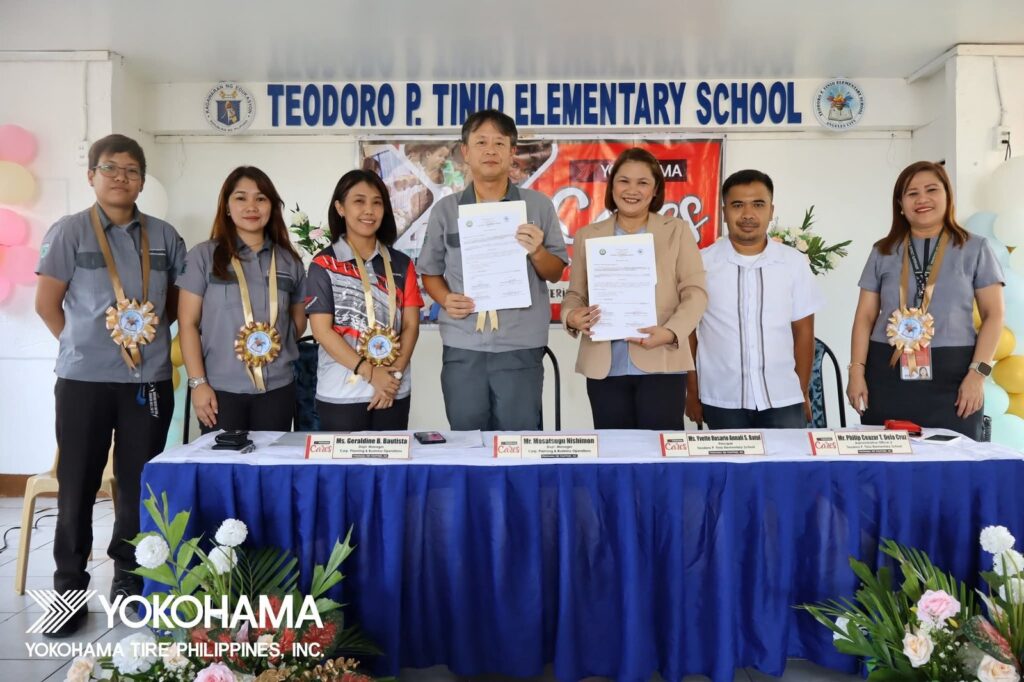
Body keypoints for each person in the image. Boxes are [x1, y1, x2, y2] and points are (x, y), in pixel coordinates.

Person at [34, 134, 186, 636]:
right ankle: (68, 590)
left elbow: (174, 308)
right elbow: (47, 304)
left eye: (132, 170)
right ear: (92, 175)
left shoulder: (164, 236)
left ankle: (129, 580)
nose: (121, 178)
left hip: (150, 380)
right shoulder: (69, 232)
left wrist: (140, 349)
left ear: (143, 180)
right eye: (111, 168)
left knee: (139, 485)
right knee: (76, 484)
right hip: (83, 381)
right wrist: (86, 348)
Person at [418, 109, 568, 430]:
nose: (490, 150)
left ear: (513, 152)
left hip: (520, 345)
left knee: (520, 443)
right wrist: (445, 299)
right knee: (467, 441)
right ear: (465, 151)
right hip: (464, 344)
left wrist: (537, 251)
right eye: (481, 142)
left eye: (499, 143)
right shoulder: (446, 210)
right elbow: (429, 272)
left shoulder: (538, 206)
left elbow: (555, 272)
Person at [847, 160, 1004, 439]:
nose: (922, 199)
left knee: (953, 467)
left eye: (931, 189)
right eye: (911, 193)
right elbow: (865, 317)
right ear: (900, 203)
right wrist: (856, 371)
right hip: (887, 371)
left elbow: (994, 316)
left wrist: (977, 375)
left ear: (947, 195)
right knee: (888, 464)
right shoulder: (882, 251)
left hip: (955, 375)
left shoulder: (975, 248)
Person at [562, 148, 707, 429]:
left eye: (643, 183)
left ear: (655, 191)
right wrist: (571, 315)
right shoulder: (588, 235)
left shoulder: (676, 230)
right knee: (615, 458)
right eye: (624, 181)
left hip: (661, 360)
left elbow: (695, 292)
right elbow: (576, 293)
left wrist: (670, 332)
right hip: (605, 366)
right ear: (612, 185)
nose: (632, 190)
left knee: (661, 459)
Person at [685, 170, 824, 430]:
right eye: (738, 205)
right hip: (721, 398)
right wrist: (692, 392)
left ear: (771, 210)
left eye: (758, 205)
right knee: (728, 470)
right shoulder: (702, 264)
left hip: (782, 396)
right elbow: (688, 333)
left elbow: (804, 332)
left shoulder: (793, 262)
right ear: (724, 211)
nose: (748, 214)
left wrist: (801, 390)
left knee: (782, 470)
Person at [177, 167, 307, 433]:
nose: (251, 206)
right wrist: (198, 383)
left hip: (278, 389)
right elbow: (188, 323)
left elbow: (297, 320)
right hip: (220, 390)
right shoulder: (204, 257)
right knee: (223, 471)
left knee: (270, 470)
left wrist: (272, 343)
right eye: (241, 198)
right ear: (226, 206)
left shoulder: (289, 261)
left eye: (260, 198)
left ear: (272, 206)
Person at [305, 170, 423, 430]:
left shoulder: (401, 264)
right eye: (359, 201)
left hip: (393, 391)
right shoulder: (323, 265)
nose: (369, 210)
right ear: (340, 208)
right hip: (340, 394)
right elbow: (322, 331)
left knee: (391, 470)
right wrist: (372, 374)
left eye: (377, 202)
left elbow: (411, 327)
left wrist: (392, 377)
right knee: (343, 472)